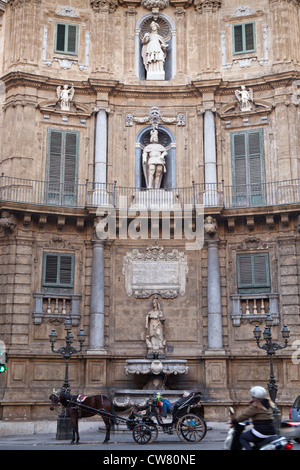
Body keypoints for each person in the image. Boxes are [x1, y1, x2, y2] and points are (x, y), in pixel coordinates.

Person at [232, 386, 277, 450]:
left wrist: (234, 421)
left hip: (261, 431)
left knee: (242, 437)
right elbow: (262, 416)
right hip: (271, 430)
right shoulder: (269, 403)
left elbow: (245, 415)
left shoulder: (256, 405)